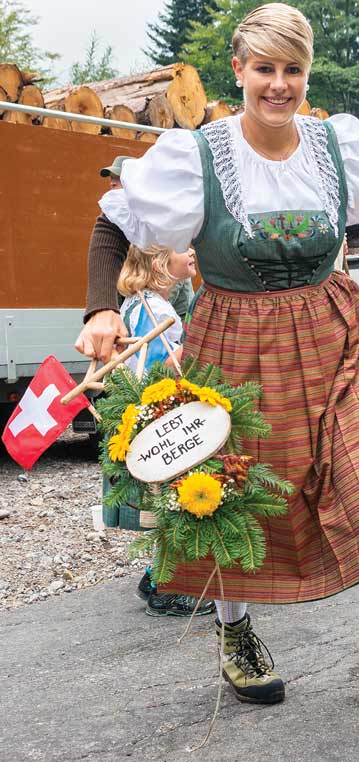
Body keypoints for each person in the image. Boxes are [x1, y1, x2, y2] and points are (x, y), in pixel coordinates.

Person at [75, 5, 359, 759]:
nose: (279, 85)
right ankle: (236, 631)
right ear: (240, 71)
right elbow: (113, 221)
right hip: (233, 341)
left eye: (293, 70)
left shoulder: (335, 145)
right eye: (265, 70)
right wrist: (98, 307)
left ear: (305, 74)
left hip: (333, 339)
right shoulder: (198, 154)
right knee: (234, 501)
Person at [106, 244, 214, 618]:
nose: (192, 252)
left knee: (169, 497)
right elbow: (165, 365)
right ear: (159, 263)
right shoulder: (159, 310)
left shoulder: (137, 303)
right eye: (182, 249)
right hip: (162, 412)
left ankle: (155, 576)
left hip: (143, 412)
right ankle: (169, 587)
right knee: (177, 498)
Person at [97, 157, 194, 320]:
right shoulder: (117, 222)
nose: (112, 183)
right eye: (111, 178)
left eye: (118, 178)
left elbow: (162, 292)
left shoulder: (155, 222)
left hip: (165, 309)